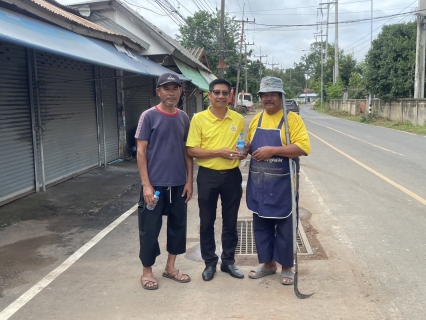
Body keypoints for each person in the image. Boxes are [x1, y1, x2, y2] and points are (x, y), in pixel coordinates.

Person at [245, 76, 311, 285]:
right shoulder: (257, 119)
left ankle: (287, 267)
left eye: (273, 94)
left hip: (283, 182)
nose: (268, 98)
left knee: (285, 224)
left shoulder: (292, 120)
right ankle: (268, 264)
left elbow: (302, 148)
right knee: (261, 223)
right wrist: (243, 150)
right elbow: (250, 145)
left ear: (281, 96)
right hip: (259, 182)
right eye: (264, 95)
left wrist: (273, 150)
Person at [135, 72, 193, 290]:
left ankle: (170, 267)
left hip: (178, 184)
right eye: (166, 88)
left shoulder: (184, 118)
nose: (171, 93)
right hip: (155, 186)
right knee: (149, 230)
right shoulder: (148, 116)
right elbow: (141, 152)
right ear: (158, 91)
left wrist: (189, 181)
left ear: (180, 91)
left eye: (175, 88)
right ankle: (147, 271)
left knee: (178, 228)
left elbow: (187, 152)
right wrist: (146, 185)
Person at [186, 78, 246, 281]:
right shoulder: (199, 119)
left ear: (230, 96)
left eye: (224, 93)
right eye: (216, 92)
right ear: (209, 95)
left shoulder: (237, 119)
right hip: (208, 176)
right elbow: (192, 150)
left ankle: (228, 262)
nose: (220, 96)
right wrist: (218, 153)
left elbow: (241, 144)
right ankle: (209, 262)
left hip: (232, 176)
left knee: (230, 222)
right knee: (207, 221)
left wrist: (242, 152)